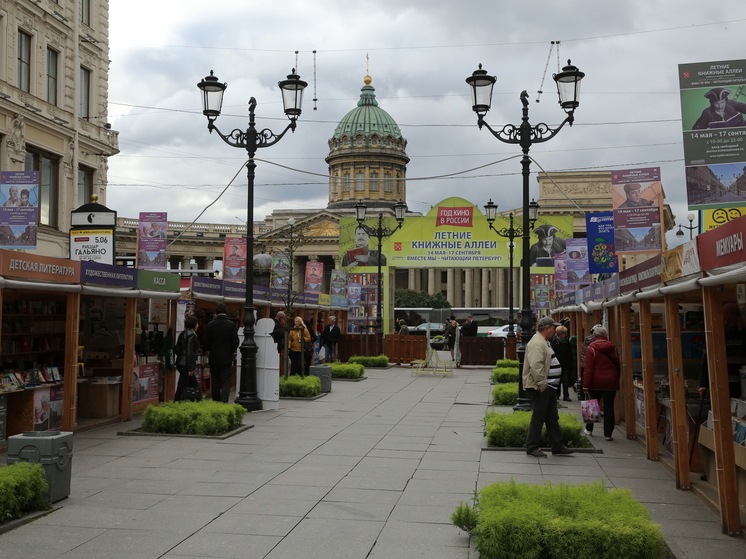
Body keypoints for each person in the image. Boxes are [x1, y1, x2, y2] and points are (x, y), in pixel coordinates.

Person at [523, 316, 575, 458]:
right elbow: (536, 365)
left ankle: (557, 446)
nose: (555, 330)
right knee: (539, 417)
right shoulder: (537, 343)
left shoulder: (544, 341)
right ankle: (532, 447)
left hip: (548, 387)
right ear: (547, 328)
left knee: (552, 417)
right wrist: (542, 384)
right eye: (553, 328)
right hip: (541, 387)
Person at [582, 326, 621, 441]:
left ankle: (589, 429)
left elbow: (588, 369)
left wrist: (586, 385)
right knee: (609, 407)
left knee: (592, 404)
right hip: (611, 380)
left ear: (595, 336)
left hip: (595, 380)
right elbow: (617, 365)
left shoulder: (591, 348)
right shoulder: (612, 347)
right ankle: (608, 434)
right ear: (606, 336)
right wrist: (616, 378)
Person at [203, 303, 240, 403]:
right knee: (226, 380)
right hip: (226, 356)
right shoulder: (231, 324)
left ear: (216, 312)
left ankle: (216, 400)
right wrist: (230, 351)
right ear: (226, 311)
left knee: (215, 379)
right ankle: (224, 401)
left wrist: (210, 350)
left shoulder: (210, 325)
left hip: (214, 356)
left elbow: (205, 342)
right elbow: (235, 342)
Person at [174, 315, 200, 401]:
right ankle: (180, 400)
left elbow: (177, 348)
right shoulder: (192, 335)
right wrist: (190, 368)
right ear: (193, 325)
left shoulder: (182, 333)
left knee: (185, 383)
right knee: (185, 384)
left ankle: (186, 400)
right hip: (186, 364)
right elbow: (189, 352)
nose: (198, 325)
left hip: (180, 362)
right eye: (197, 323)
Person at [550, 325, 575, 402]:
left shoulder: (567, 342)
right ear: (559, 334)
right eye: (563, 333)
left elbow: (569, 352)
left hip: (566, 364)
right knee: (557, 380)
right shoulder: (554, 343)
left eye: (565, 333)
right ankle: (557, 395)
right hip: (557, 364)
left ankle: (566, 395)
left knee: (565, 381)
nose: (565, 335)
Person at [579, 324, 602, 400]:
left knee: (588, 384)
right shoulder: (604, 343)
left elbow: (583, 353)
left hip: (586, 365)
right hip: (597, 368)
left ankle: (584, 397)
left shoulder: (587, 340)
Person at [271, 311, 288, 375]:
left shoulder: (273, 322)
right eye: (283, 318)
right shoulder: (277, 325)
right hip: (276, 346)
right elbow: (283, 334)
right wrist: (282, 325)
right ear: (280, 318)